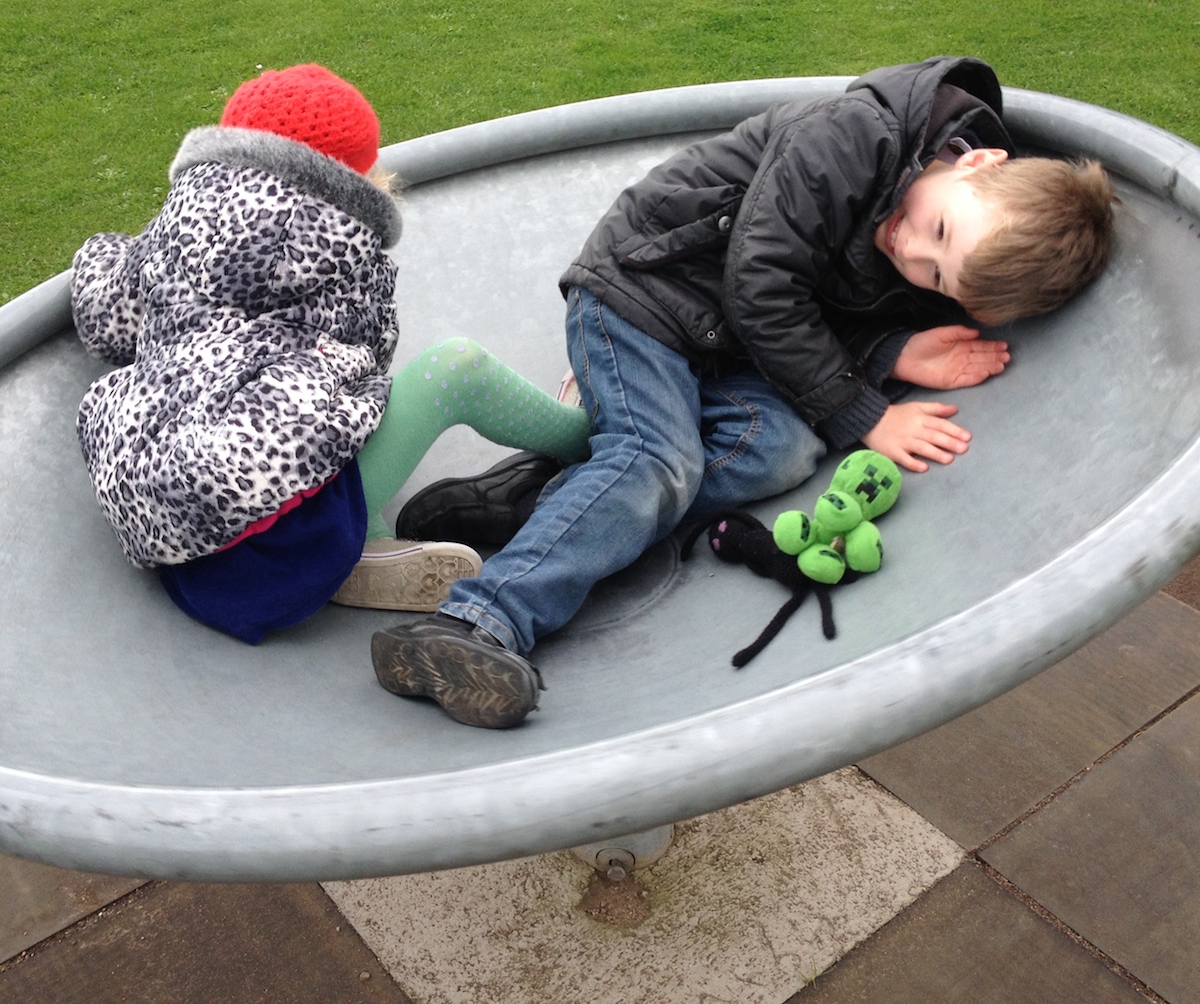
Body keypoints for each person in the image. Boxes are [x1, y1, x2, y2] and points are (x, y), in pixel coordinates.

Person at [370, 55, 1116, 729]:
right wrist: (863, 411)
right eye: (941, 231)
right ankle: (477, 621)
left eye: (937, 276)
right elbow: (763, 284)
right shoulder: (855, 138)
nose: (913, 250)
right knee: (659, 462)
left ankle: (544, 501)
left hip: (727, 343)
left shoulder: (937, 222)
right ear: (978, 161)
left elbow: (834, 310)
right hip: (644, 295)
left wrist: (893, 350)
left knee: (783, 448)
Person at [71, 64, 589, 645]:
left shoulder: (175, 227)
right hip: (286, 545)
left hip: (177, 540)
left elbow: (104, 319)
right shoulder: (341, 248)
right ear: (356, 176)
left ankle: (372, 544)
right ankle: (591, 436)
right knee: (454, 367)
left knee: (297, 408)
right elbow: (374, 357)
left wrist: (104, 255)